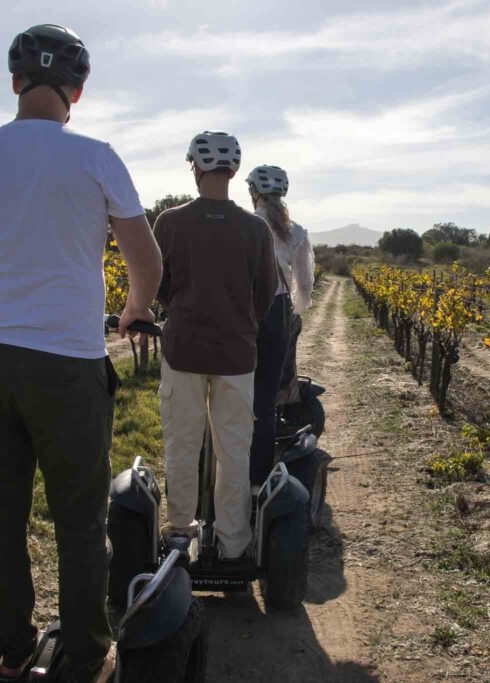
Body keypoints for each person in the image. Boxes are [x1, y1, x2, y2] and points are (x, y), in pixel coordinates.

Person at [0, 24, 161, 683]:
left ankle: (13, 651)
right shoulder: (96, 157)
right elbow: (146, 261)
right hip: (66, 361)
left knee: (0, 512)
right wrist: (135, 308)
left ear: (14, 82)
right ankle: (89, 657)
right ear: (77, 92)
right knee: (79, 517)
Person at [154, 131, 277, 564]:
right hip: (236, 355)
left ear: (195, 167)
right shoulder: (255, 228)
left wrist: (182, 310)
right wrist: (238, 321)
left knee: (182, 446)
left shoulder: (169, 222)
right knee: (234, 452)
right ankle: (234, 543)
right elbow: (265, 295)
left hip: (183, 351)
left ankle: (179, 535)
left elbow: (160, 287)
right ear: (234, 171)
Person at [245, 165, 315, 487]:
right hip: (276, 314)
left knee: (233, 391)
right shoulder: (296, 232)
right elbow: (305, 283)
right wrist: (294, 313)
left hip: (242, 313)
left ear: (253, 192)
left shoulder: (245, 224)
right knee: (265, 396)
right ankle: (258, 478)